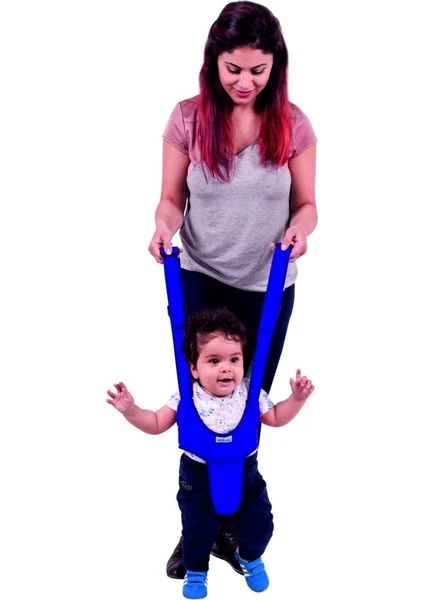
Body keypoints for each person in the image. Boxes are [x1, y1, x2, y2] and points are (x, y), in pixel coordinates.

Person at [147, 0, 317, 579]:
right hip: (199, 278)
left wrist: (301, 230)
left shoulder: (293, 124)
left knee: (245, 408)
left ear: (276, 66)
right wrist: (163, 226)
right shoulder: (187, 118)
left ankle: (234, 528)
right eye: (233, 69)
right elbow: (171, 199)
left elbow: (308, 205)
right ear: (213, 62)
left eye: (258, 70)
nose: (245, 82)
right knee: (201, 406)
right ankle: (196, 528)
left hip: (266, 285)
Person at [106, 307, 315, 598]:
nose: (226, 368)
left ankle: (249, 557)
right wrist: (131, 410)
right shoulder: (186, 397)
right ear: (194, 368)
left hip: (245, 473)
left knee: (261, 524)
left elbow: (277, 417)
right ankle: (196, 571)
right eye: (214, 361)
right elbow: (155, 423)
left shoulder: (250, 393)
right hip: (197, 476)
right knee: (197, 527)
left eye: (234, 359)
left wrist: (297, 399)